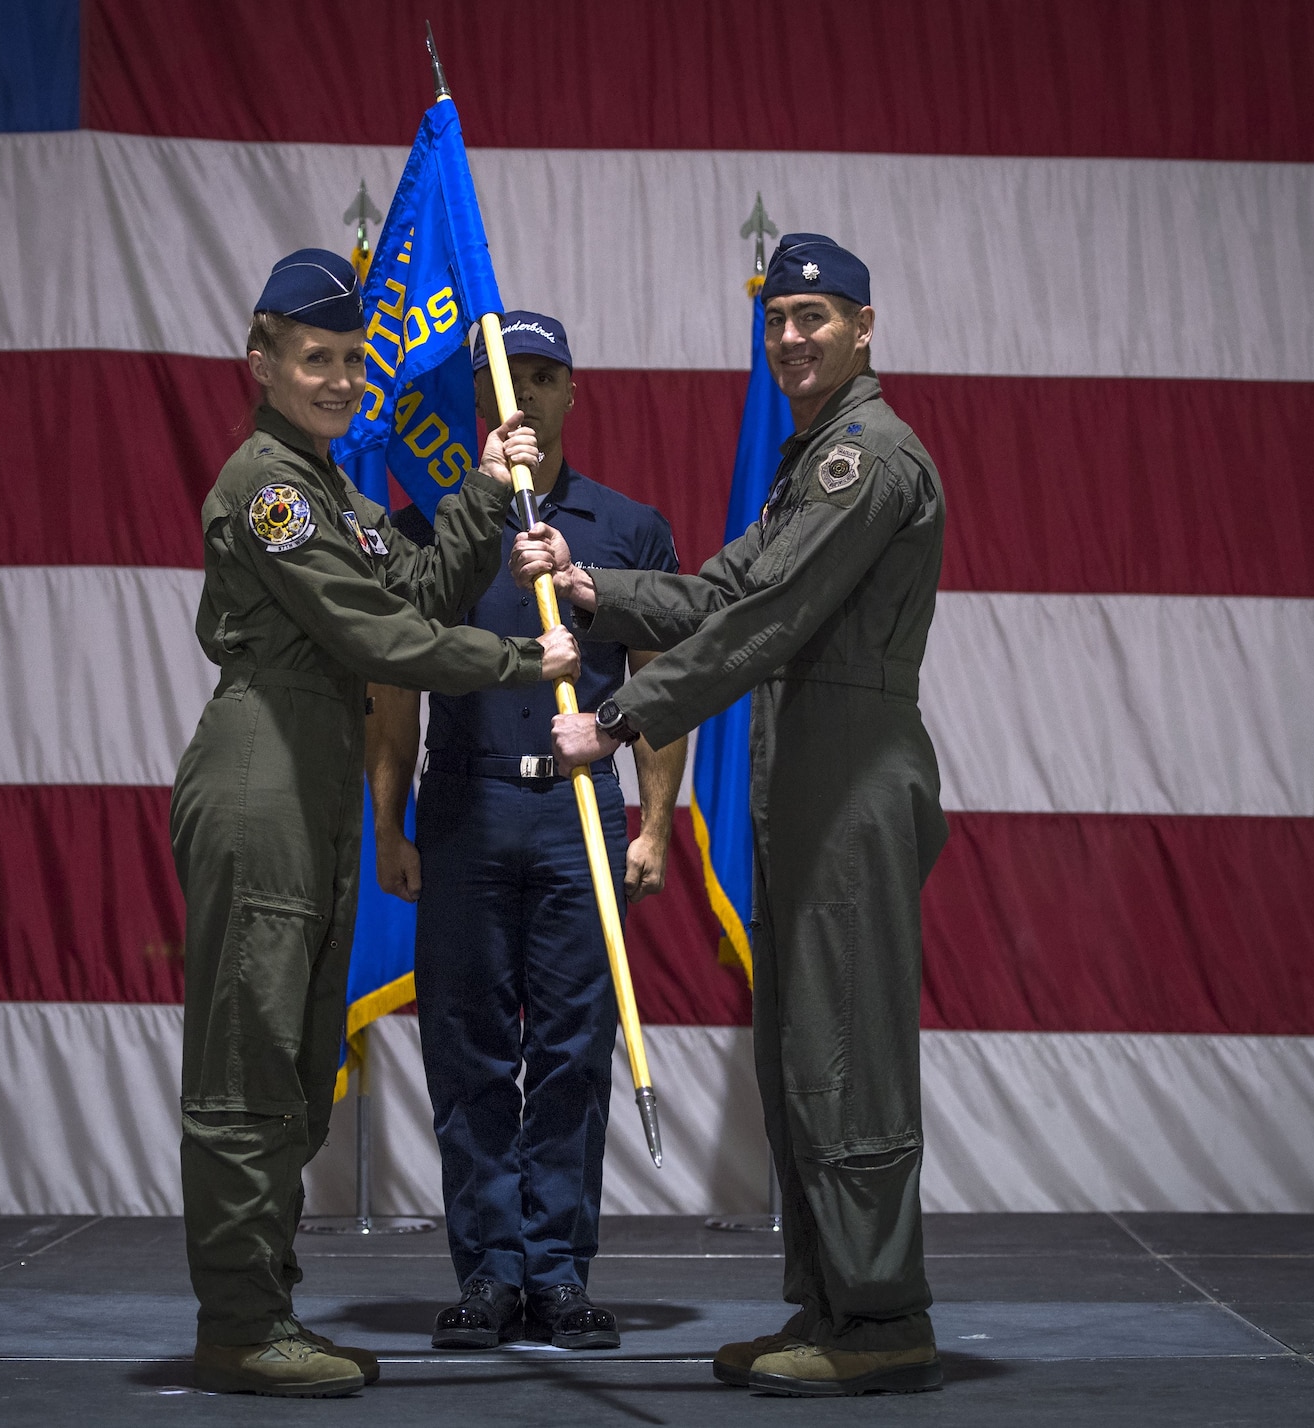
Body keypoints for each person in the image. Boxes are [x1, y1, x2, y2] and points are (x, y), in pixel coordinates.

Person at [511, 234, 949, 1397]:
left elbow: (767, 625)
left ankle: (879, 1317)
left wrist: (612, 722)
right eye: (776, 318)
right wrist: (596, 586)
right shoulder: (811, 460)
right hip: (804, 763)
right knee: (806, 1050)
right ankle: (828, 1304)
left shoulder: (866, 459)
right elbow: (719, 590)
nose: (792, 336)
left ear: (863, 327)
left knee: (846, 1052)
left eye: (814, 316)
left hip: (849, 769)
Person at [172, 250, 580, 1398]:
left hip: (313, 775)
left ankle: (264, 1309)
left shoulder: (336, 490)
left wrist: (488, 488)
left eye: (354, 360)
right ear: (260, 364)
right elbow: (381, 642)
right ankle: (241, 1324)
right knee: (250, 1064)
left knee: (299, 1064)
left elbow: (413, 593)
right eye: (317, 359)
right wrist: (519, 658)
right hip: (265, 765)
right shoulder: (274, 489)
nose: (343, 379)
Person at [364, 312, 687, 1352]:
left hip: (576, 814)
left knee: (568, 1053)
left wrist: (656, 827)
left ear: (572, 393)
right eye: (514, 377)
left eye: (547, 376)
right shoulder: (431, 531)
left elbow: (657, 687)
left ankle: (555, 1272)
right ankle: (487, 1273)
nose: (530, 395)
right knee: (462, 1055)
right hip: (460, 808)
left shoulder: (624, 526)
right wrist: (388, 824)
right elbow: (391, 685)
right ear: (482, 400)